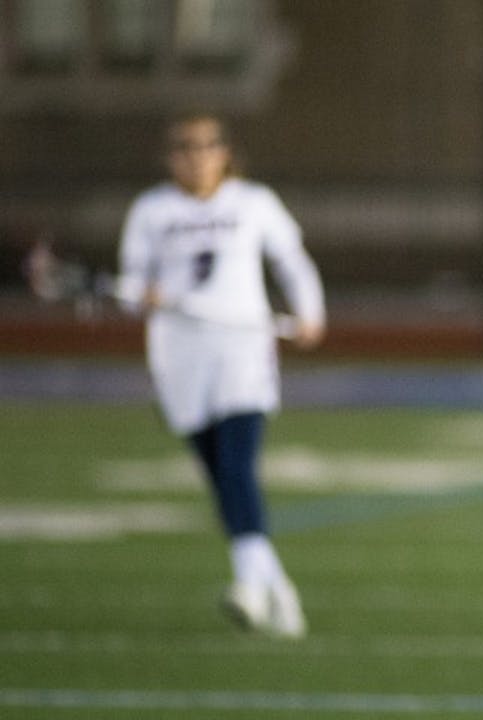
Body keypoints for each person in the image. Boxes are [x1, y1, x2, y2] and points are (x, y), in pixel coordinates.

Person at [115, 112, 326, 638]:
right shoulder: (152, 210)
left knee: (237, 464)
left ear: (226, 153)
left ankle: (249, 591)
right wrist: (140, 295)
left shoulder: (254, 203)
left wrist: (310, 311)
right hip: (179, 354)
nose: (197, 155)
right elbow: (129, 287)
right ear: (172, 157)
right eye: (186, 146)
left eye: (208, 145)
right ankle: (277, 588)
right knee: (220, 477)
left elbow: (291, 260)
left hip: (242, 348)